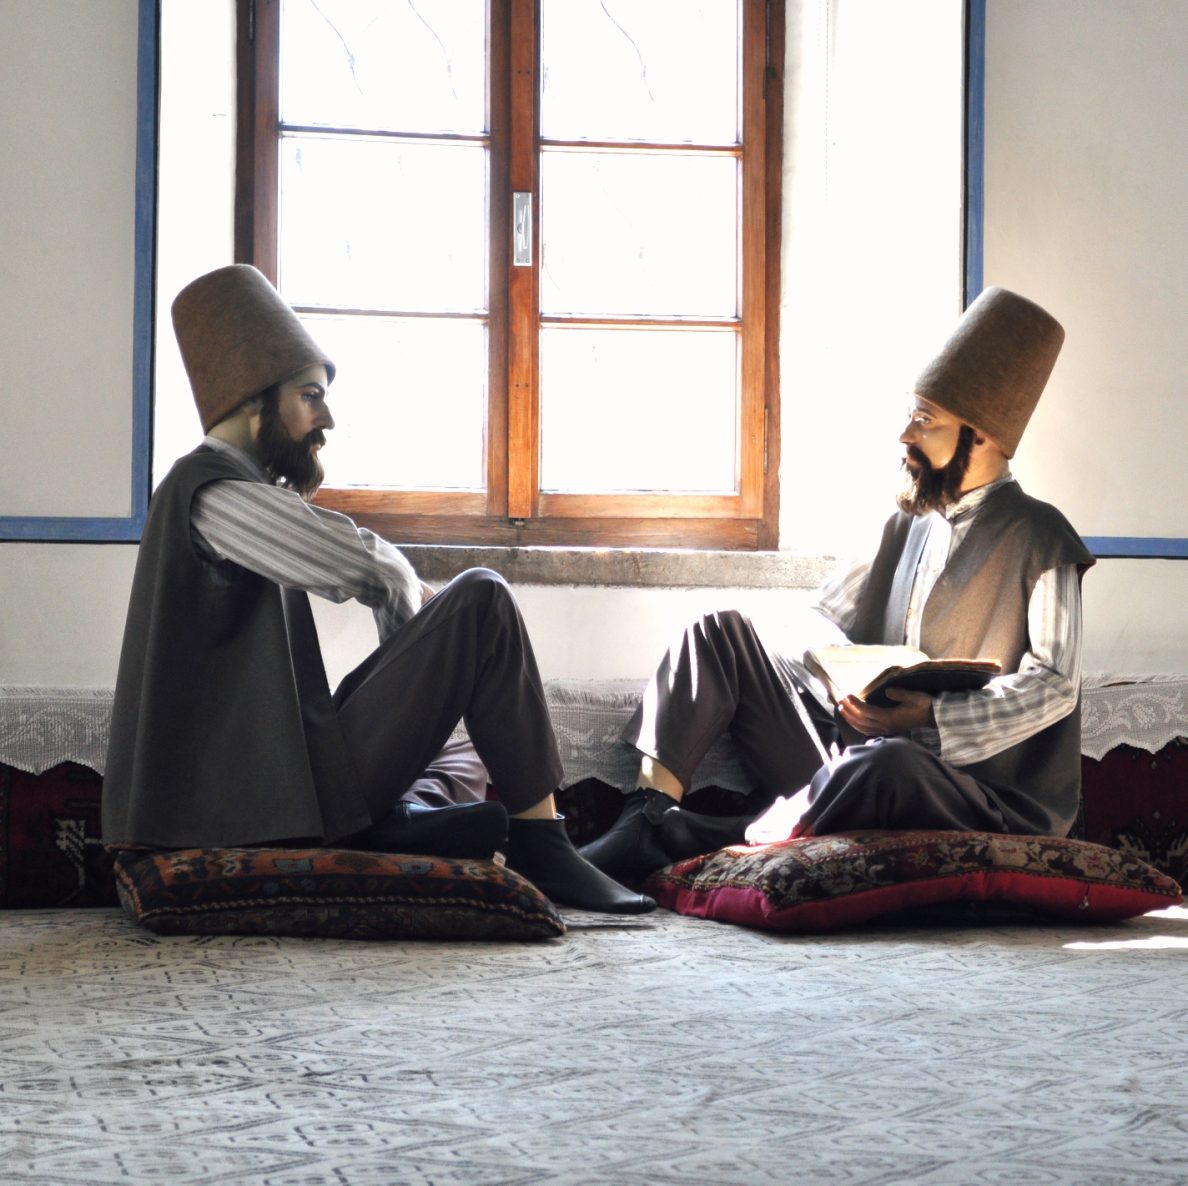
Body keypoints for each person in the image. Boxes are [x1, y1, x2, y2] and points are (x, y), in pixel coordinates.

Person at [103, 263, 654, 915]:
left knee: (466, 735)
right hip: (246, 807)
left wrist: (424, 672)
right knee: (481, 601)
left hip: (279, 784)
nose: (325, 416)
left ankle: (410, 819)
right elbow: (364, 567)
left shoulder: (224, 490)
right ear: (254, 402)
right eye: (309, 395)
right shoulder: (211, 494)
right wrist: (420, 644)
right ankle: (541, 844)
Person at [580, 287, 1096, 883]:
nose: (906, 434)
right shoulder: (906, 520)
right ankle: (646, 816)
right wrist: (836, 670)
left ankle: (708, 837)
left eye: (925, 420)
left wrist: (931, 717)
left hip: (959, 791)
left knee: (893, 765)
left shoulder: (1044, 536)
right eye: (911, 413)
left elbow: (1055, 684)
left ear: (979, 436)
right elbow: (815, 617)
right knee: (717, 633)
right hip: (846, 759)